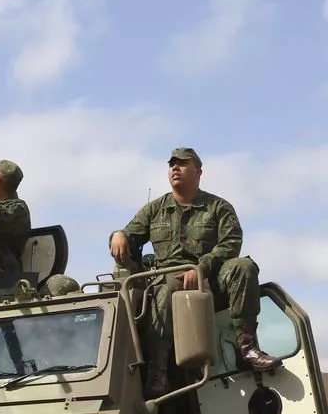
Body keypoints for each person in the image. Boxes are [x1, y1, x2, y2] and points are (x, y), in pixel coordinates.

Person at [109, 147, 279, 398]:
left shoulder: (218, 207)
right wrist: (118, 235)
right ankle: (158, 371)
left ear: (198, 171)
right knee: (167, 288)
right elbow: (129, 235)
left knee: (244, 267)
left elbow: (230, 243)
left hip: (212, 278)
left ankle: (247, 348)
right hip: (170, 278)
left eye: (182, 163)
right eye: (172, 164)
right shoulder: (154, 210)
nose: (175, 168)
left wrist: (201, 268)